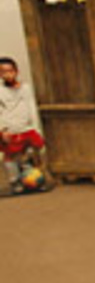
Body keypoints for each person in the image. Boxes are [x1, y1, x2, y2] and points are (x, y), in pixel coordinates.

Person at [0, 57, 45, 192]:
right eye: (3, 72)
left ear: (16, 71)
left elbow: (31, 107)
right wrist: (3, 129)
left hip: (26, 127)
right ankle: (14, 181)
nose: (8, 74)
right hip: (10, 129)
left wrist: (36, 127)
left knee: (29, 152)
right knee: (11, 156)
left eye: (10, 71)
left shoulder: (25, 88)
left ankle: (29, 178)